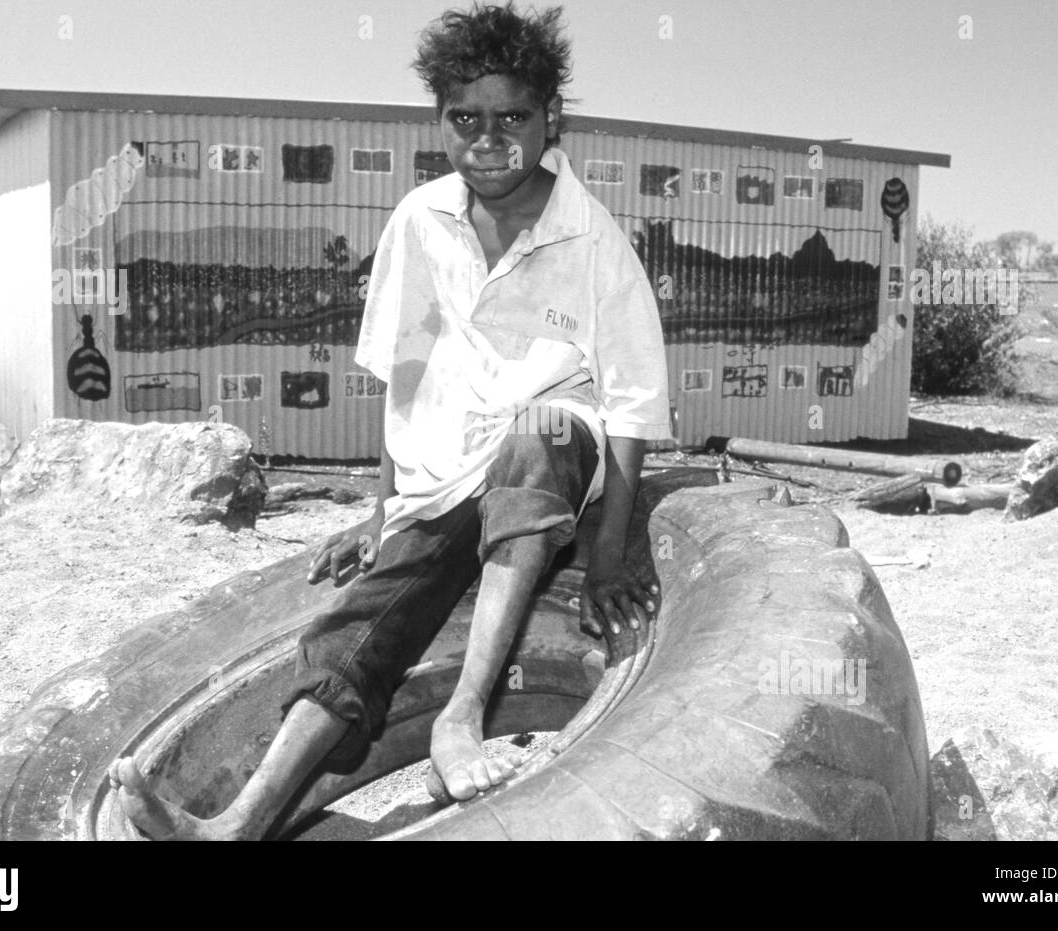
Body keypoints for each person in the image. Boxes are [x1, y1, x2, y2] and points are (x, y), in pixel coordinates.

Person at [109, 0, 671, 840]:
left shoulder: (592, 239)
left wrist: (611, 552)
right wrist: (380, 512)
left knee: (537, 439)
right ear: (438, 120)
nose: (489, 138)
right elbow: (403, 377)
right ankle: (238, 821)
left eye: (513, 116)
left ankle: (461, 716)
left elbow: (628, 406)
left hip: (552, 447)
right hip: (448, 463)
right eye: (465, 117)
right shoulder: (419, 221)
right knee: (363, 621)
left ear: (551, 117)